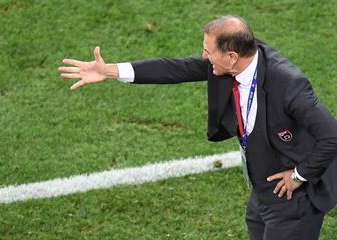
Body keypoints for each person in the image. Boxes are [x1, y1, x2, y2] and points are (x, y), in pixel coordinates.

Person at [58, 15, 337, 240]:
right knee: (255, 222)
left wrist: (299, 176)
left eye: (208, 51)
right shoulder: (234, 61)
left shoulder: (290, 86)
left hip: (292, 196)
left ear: (231, 56)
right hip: (263, 186)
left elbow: (331, 136)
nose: (203, 57)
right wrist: (110, 71)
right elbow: (174, 69)